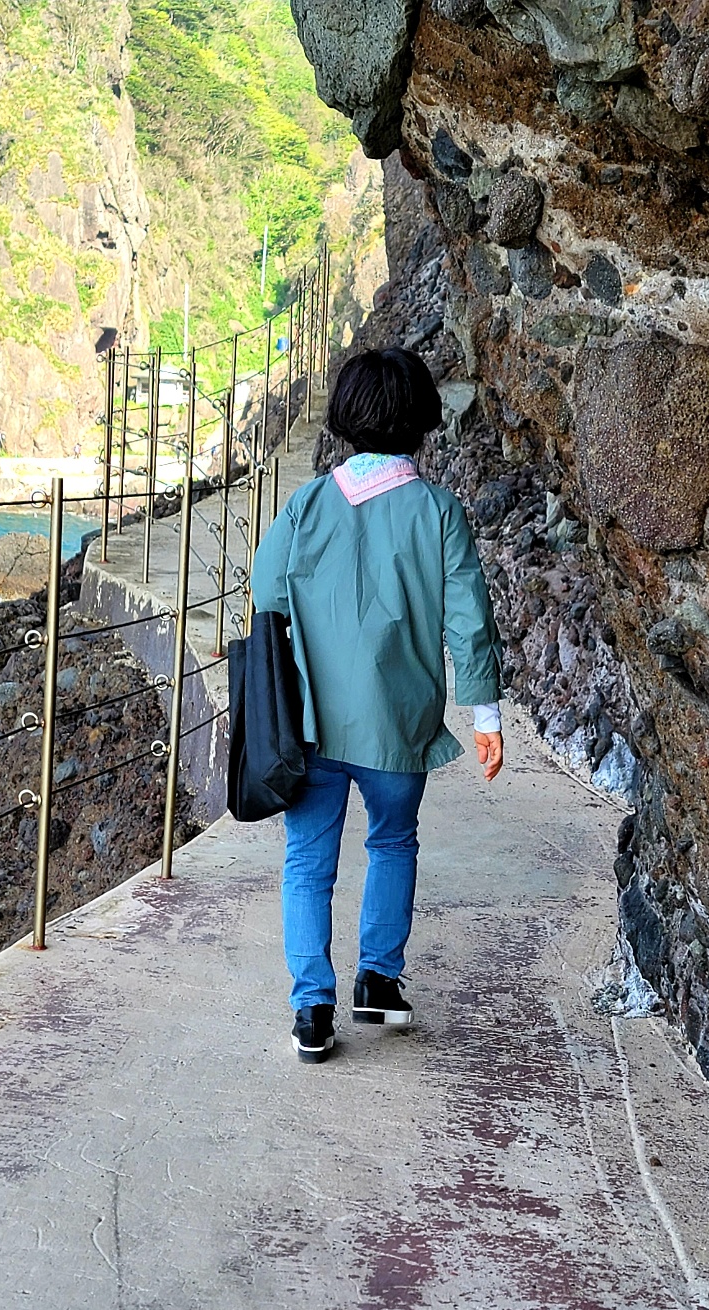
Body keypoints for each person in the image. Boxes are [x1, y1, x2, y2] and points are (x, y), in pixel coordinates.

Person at [250, 346, 503, 1065]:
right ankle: (378, 982)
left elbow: (267, 592)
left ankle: (311, 1010)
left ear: (345, 417)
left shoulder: (306, 504)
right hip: (398, 723)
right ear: (421, 420)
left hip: (313, 725)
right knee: (393, 841)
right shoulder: (439, 511)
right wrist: (485, 717)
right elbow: (470, 623)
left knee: (308, 861)